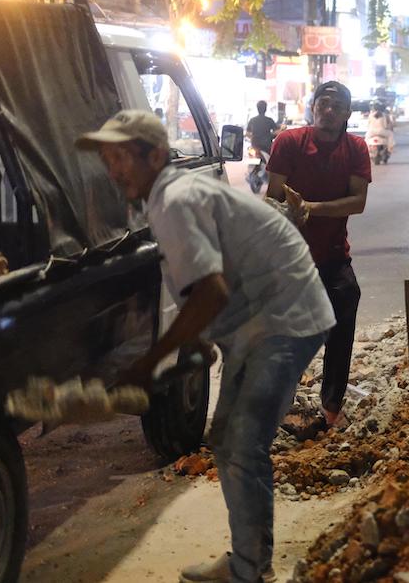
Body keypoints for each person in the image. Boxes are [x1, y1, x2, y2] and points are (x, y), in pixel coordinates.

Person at [76, 110, 334, 583]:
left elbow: (210, 292)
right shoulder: (173, 194)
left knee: (242, 443)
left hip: (281, 319)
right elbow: (205, 284)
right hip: (263, 318)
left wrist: (151, 361)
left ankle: (250, 569)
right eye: (107, 159)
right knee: (228, 441)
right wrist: (197, 343)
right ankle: (248, 560)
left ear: (155, 156)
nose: (112, 170)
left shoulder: (175, 200)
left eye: (121, 157)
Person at [265, 81, 371, 429]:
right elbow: (273, 198)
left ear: (347, 114)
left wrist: (310, 208)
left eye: (336, 106)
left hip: (333, 254)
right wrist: (289, 213)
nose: (328, 110)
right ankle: (279, 406)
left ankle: (332, 406)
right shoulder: (288, 142)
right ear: (312, 107)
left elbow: (358, 202)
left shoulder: (356, 148)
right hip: (290, 259)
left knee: (343, 316)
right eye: (322, 103)